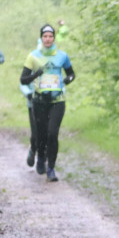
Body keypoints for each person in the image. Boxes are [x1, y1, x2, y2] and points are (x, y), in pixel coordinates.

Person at [20, 24, 75, 182]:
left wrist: (66, 80)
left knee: (52, 134)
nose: (48, 39)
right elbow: (23, 80)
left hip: (58, 101)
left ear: (54, 38)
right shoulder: (33, 56)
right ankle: (40, 158)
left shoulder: (62, 56)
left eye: (51, 36)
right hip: (39, 101)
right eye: (45, 36)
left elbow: (71, 74)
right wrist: (35, 75)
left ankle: (51, 168)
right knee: (41, 135)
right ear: (41, 38)